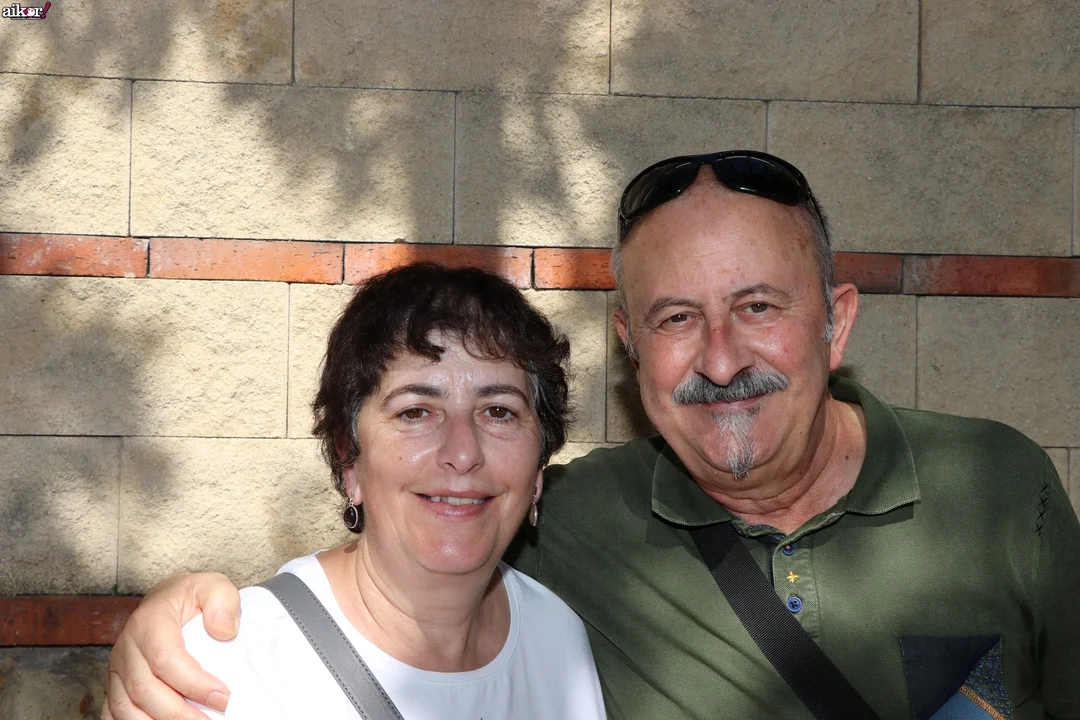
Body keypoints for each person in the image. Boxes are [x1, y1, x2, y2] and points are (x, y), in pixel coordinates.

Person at [104, 151, 1080, 720]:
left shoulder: (999, 488)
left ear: (836, 323)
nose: (722, 358)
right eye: (676, 318)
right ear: (630, 348)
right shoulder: (574, 522)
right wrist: (162, 636)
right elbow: (408, 552)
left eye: (758, 306)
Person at [117, 263, 606, 719]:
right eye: (415, 412)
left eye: (499, 411)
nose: (463, 452)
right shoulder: (225, 664)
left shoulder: (556, 637)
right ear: (349, 458)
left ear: (539, 465)